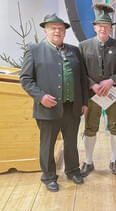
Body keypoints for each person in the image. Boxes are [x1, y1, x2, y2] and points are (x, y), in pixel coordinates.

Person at [20, 14, 88, 192]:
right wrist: (41, 96)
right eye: (53, 28)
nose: (57, 31)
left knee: (71, 142)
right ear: (45, 30)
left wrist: (84, 102)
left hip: (72, 107)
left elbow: (82, 79)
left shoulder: (74, 50)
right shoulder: (34, 50)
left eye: (60, 28)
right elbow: (26, 79)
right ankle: (49, 176)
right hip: (47, 109)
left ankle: (73, 170)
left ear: (65, 31)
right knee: (47, 144)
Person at [79, 3, 116, 176]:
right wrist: (92, 84)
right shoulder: (83, 46)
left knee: (115, 126)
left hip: (113, 94)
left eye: (106, 27)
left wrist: (111, 81)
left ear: (110, 29)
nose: (103, 29)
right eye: (100, 26)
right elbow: (80, 71)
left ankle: (114, 160)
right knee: (90, 127)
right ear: (95, 27)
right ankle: (88, 161)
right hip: (92, 95)